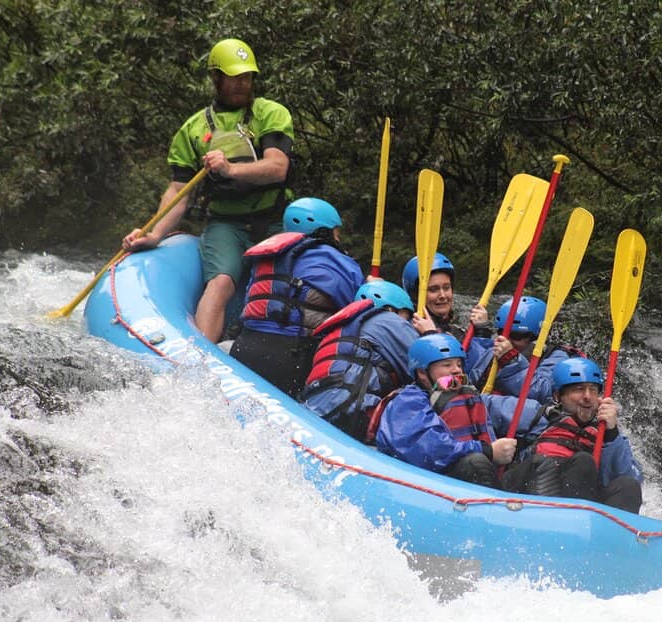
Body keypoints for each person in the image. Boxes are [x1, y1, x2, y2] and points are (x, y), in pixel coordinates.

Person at [122, 38, 295, 343]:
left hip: (275, 221)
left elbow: (277, 166)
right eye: (234, 77)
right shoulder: (193, 129)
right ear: (216, 78)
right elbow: (179, 189)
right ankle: (202, 358)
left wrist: (230, 168)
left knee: (287, 290)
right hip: (226, 224)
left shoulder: (271, 113)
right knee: (221, 282)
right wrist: (156, 233)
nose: (242, 83)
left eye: (247, 76)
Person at [229, 197, 363, 396]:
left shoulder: (264, 259)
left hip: (245, 345)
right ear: (323, 229)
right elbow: (356, 309)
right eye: (336, 231)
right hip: (293, 356)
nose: (338, 238)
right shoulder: (335, 260)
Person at [373, 334, 517, 488]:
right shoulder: (408, 401)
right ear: (422, 373)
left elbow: (500, 408)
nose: (456, 370)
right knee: (476, 463)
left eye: (458, 364)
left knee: (537, 463)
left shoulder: (465, 394)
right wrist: (488, 451)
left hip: (469, 475)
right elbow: (432, 449)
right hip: (431, 481)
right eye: (447, 365)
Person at [506, 357, 643, 513]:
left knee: (628, 486)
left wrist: (611, 433)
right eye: (578, 389)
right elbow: (483, 405)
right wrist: (493, 450)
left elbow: (633, 477)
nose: (587, 396)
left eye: (593, 389)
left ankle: (595, 532)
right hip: (528, 496)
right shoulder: (534, 414)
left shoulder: (606, 432)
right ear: (558, 396)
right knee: (581, 460)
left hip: (580, 508)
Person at [302, 280, 431, 441]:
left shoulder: (345, 327)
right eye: (407, 317)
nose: (410, 323)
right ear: (390, 309)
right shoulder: (388, 320)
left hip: (315, 408)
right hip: (350, 413)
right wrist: (429, 333)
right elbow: (433, 367)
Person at [402, 253, 493, 383]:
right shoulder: (408, 331)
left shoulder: (455, 332)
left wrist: (482, 332)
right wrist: (430, 336)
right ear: (416, 295)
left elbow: (476, 370)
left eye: (446, 287)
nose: (443, 295)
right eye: (433, 289)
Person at [490, 296, 580, 403]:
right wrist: (480, 332)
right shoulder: (498, 345)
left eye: (516, 336)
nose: (507, 341)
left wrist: (512, 360)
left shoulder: (558, 357)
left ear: (537, 337)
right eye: (502, 332)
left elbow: (542, 393)